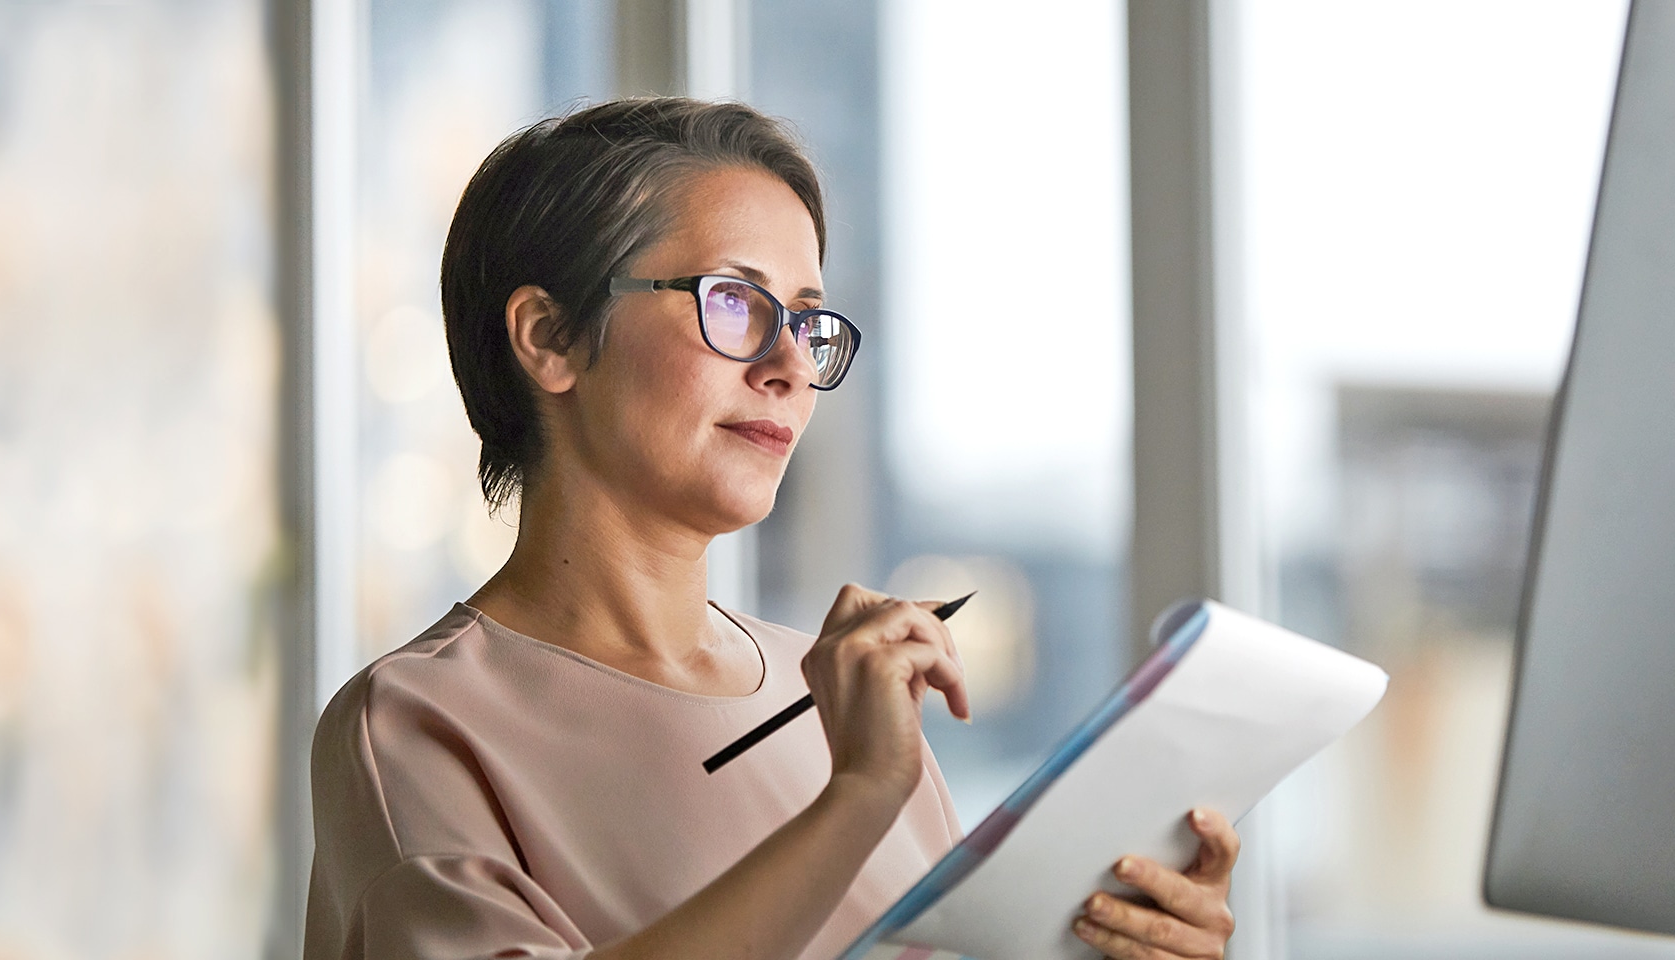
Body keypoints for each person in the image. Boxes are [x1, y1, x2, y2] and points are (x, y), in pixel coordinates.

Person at [304, 97, 1240, 960]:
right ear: (548, 338)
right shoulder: (415, 725)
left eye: (806, 320)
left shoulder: (839, 697)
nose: (792, 363)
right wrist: (859, 797)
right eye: (735, 303)